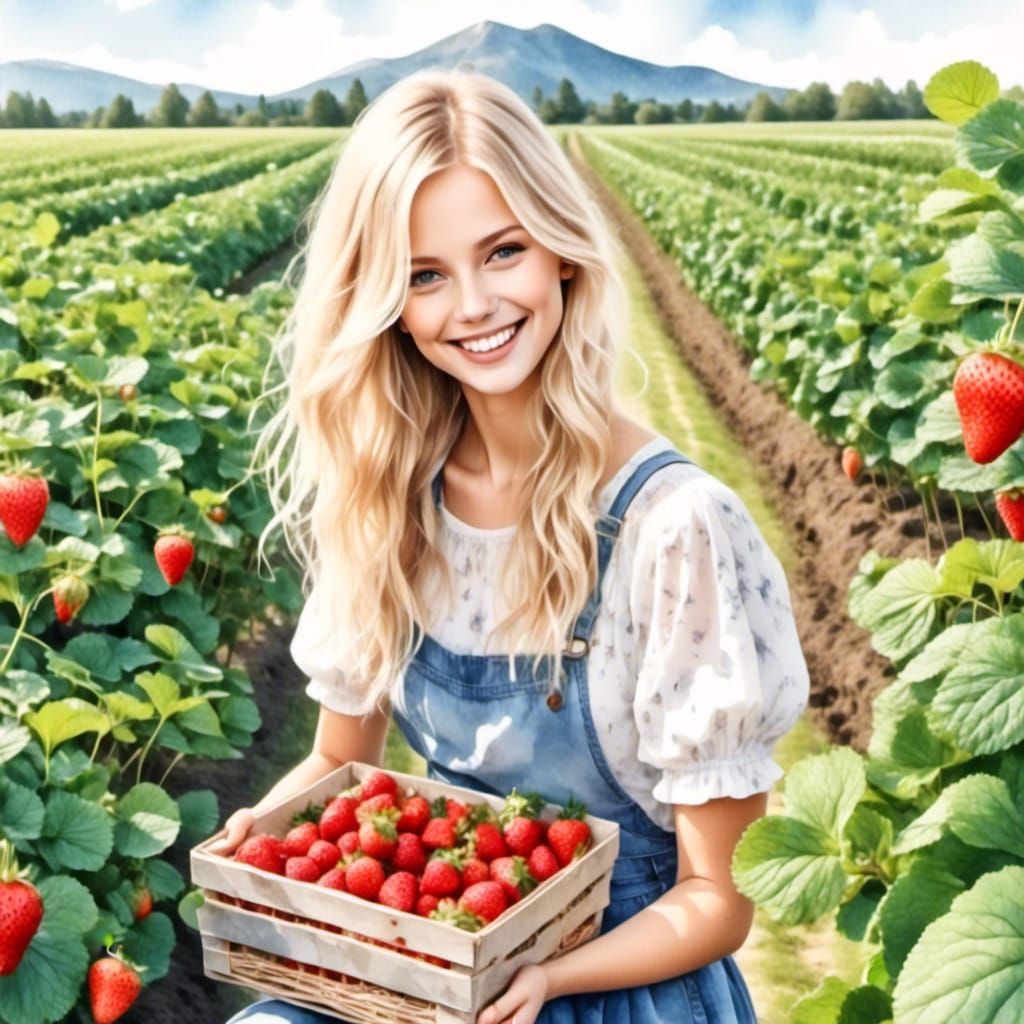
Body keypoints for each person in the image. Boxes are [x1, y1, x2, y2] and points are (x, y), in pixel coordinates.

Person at [211, 67, 810, 1024]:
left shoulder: (671, 529)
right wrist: (264, 830)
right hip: (430, 955)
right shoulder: (391, 501)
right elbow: (336, 762)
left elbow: (719, 901)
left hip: (617, 978)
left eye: (503, 251)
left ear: (562, 253)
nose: (475, 304)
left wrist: (547, 976)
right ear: (387, 304)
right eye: (426, 275)